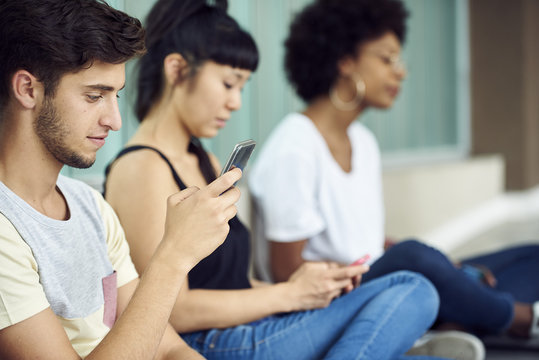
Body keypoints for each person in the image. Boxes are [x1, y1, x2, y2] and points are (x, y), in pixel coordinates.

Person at [103, 0, 448, 359]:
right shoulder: (142, 168)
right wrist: (289, 295)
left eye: (243, 87)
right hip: (206, 343)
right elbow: (171, 310)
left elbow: (231, 283)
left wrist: (305, 288)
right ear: (176, 70)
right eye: (228, 83)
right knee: (412, 287)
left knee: (405, 291)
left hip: (249, 329)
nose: (236, 103)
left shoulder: (205, 161)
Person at [248, 0, 539, 346]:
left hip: (379, 278)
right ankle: (523, 321)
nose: (400, 72)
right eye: (386, 59)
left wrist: (449, 269)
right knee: (415, 258)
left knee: (529, 257)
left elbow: (363, 239)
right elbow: (287, 274)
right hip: (328, 303)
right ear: (345, 62)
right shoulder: (294, 147)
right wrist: (420, 265)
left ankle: (450, 326)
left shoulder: (363, 141)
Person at [0, 0, 243, 359]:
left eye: (116, 95)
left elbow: (169, 349)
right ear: (28, 89)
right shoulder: (5, 230)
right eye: (94, 96)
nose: (114, 120)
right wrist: (173, 255)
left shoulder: (90, 207)